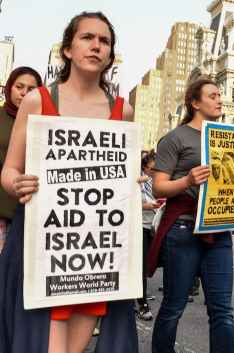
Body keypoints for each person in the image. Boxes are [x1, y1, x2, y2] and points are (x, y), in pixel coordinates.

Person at [0, 12, 138, 353]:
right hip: (43, 251)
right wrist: (18, 184)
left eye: (104, 41)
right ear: (67, 50)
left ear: (110, 54)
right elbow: (9, 171)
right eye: (87, 38)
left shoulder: (124, 111)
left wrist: (131, 184)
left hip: (96, 256)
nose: (96, 46)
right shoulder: (38, 101)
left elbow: (125, 177)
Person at [149, 78, 234, 353]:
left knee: (222, 309)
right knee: (174, 305)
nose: (219, 99)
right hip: (184, 229)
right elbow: (159, 186)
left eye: (220, 95)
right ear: (195, 103)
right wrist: (187, 181)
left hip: (219, 230)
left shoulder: (228, 136)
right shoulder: (176, 138)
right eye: (212, 95)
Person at [0, 67, 42, 254]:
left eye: (32, 89)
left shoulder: (44, 122)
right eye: (19, 86)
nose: (25, 93)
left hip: (32, 208)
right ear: (9, 88)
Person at [137, 151, 160, 321]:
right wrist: (148, 205)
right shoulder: (137, 180)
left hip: (157, 227)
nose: (155, 171)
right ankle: (142, 303)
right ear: (145, 168)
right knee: (141, 268)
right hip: (141, 227)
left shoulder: (158, 180)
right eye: (152, 169)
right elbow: (131, 202)